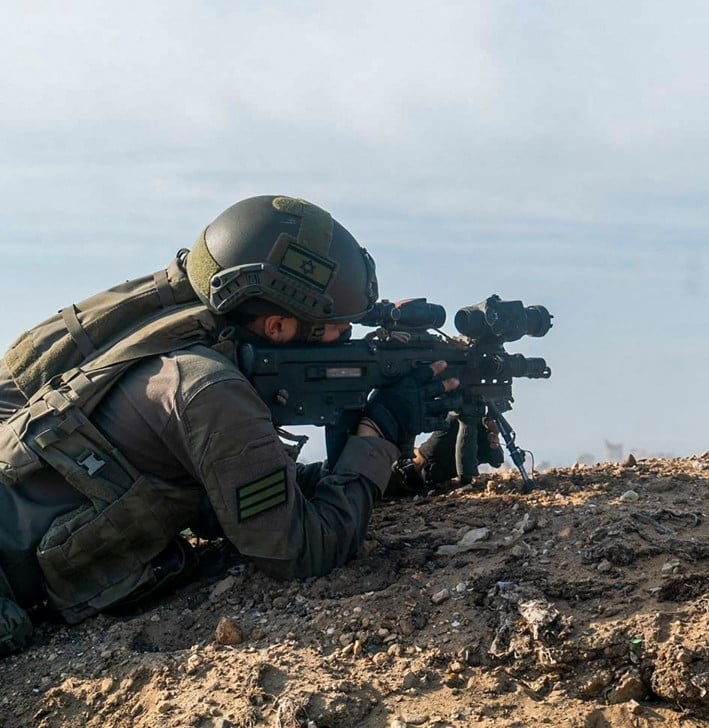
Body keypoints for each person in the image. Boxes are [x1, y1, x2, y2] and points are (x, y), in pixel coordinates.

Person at [0, 195, 460, 655]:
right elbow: (299, 549)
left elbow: (249, 489)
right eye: (337, 326)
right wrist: (379, 432)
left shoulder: (170, 333)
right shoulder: (210, 388)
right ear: (277, 327)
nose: (350, 338)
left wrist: (399, 468)